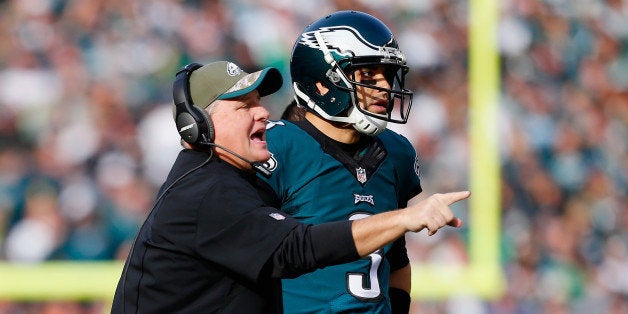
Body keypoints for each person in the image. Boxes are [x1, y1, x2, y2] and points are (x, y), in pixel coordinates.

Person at [110, 60, 469, 314]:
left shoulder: (221, 179)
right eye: (244, 106)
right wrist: (405, 218)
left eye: (260, 103)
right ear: (197, 125)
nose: (263, 113)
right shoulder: (207, 190)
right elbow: (297, 248)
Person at [260, 11, 428, 313]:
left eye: (387, 75)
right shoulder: (276, 145)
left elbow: (396, 260)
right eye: (367, 75)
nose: (385, 87)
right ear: (323, 83)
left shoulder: (396, 153)